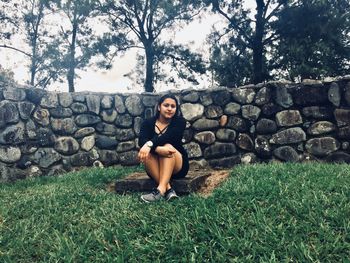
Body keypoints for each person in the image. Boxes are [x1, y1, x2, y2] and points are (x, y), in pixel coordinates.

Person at [138, 94, 189, 202]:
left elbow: (170, 137)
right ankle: (169, 190)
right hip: (155, 167)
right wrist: (156, 149)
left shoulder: (180, 122)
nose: (170, 109)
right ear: (159, 107)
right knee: (148, 153)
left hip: (178, 165)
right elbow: (141, 141)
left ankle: (160, 190)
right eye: (166, 105)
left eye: (173, 106)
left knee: (168, 147)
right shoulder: (147, 123)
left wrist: (150, 145)